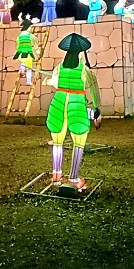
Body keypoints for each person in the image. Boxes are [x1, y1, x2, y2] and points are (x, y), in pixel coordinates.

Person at [46, 33, 100, 192]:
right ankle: (74, 178)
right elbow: (94, 89)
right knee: (79, 141)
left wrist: (50, 81)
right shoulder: (84, 70)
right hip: (76, 106)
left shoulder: (58, 68)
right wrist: (97, 108)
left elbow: (55, 83)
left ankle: (56, 175)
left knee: (57, 141)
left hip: (58, 103)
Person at [13, 17, 37, 85]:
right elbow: (34, 42)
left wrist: (18, 49)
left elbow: (17, 45)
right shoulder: (30, 36)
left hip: (21, 52)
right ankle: (28, 81)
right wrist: (36, 49)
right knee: (29, 68)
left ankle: (22, 71)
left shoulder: (19, 36)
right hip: (28, 53)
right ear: (28, 27)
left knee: (23, 62)